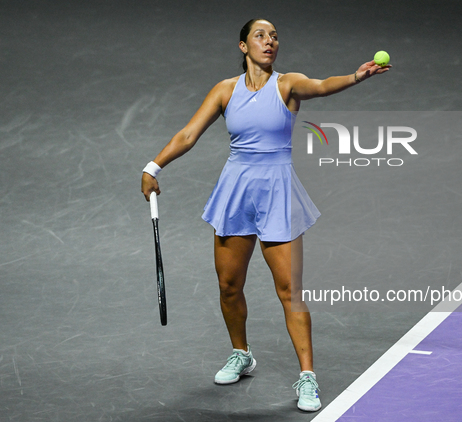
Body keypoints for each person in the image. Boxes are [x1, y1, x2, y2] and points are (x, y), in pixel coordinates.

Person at [141, 18, 390, 412]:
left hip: (278, 194)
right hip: (236, 193)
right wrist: (153, 167)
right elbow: (189, 134)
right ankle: (241, 353)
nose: (269, 41)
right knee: (228, 287)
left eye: (274, 37)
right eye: (260, 35)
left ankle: (307, 377)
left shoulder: (288, 84)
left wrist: (357, 76)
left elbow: (323, 86)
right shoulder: (225, 90)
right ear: (243, 46)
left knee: (290, 293)